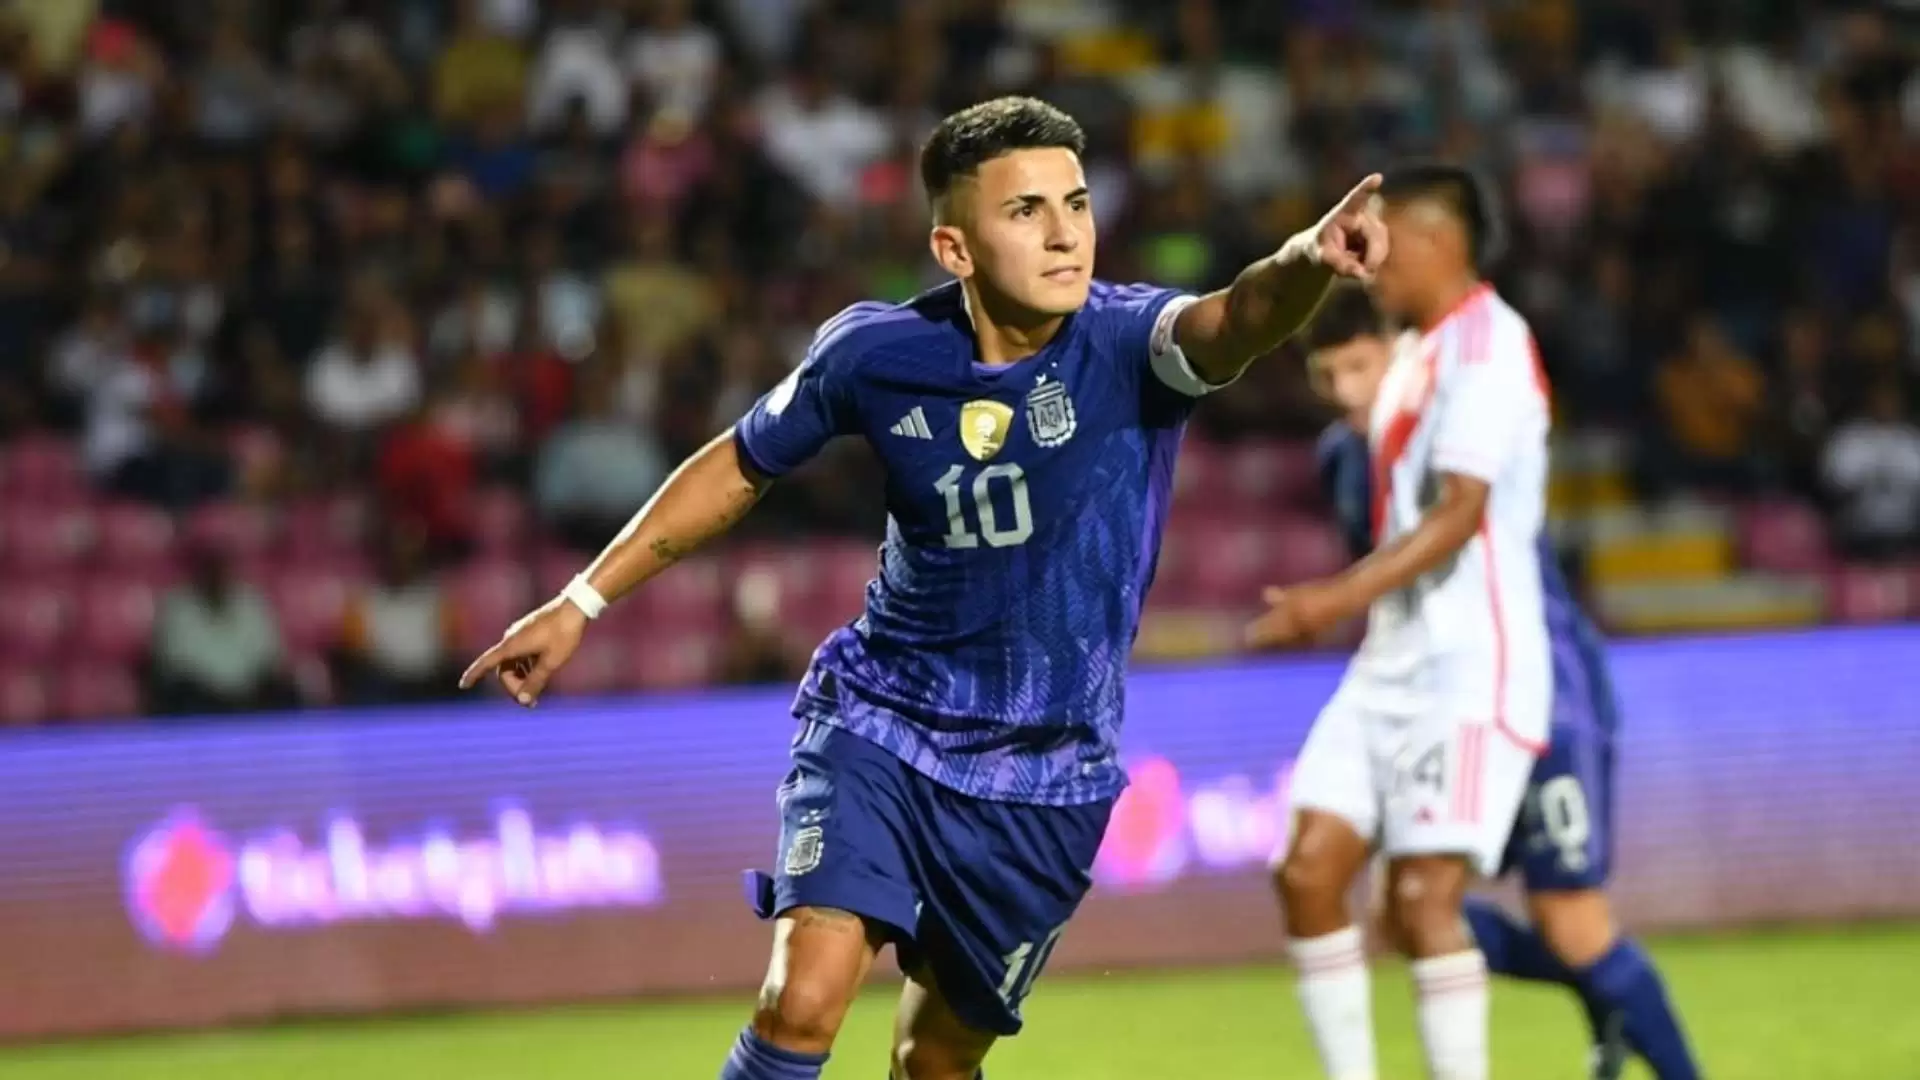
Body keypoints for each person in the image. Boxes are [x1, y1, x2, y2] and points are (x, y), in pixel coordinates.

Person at [460, 95, 1387, 1080]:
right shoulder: (877, 354)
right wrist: (581, 601)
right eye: (1026, 210)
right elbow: (740, 463)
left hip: (1045, 771)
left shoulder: (1128, 343)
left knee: (932, 1061)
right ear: (955, 248)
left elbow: (1239, 317)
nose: (1066, 233)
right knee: (800, 1003)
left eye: (1075, 203)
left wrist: (1306, 259)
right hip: (884, 722)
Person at [1298, 287, 1702, 1080]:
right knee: (1401, 912)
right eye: (1327, 375)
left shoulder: (1458, 425)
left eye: (1360, 367)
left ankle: (1643, 1026)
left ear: (1401, 355)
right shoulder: (1341, 460)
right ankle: (1605, 993)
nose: (1346, 391)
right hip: (1439, 697)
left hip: (1539, 688)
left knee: (1571, 922)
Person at [1246, 164, 1550, 1080]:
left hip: (1470, 669)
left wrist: (1329, 600)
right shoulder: (1415, 350)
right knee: (1307, 872)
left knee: (1422, 900)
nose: (1372, 257)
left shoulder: (1490, 349)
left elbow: (1459, 515)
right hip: (1389, 663)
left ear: (1436, 240)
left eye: (1385, 238)